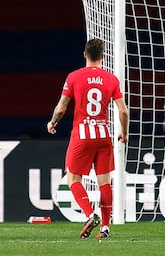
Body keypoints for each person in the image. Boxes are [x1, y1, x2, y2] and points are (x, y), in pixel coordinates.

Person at [47, 38, 129, 238]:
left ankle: (90, 213)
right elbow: (123, 111)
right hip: (103, 134)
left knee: (73, 177)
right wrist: (124, 132)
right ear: (103, 56)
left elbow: (61, 107)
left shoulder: (74, 77)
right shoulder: (111, 79)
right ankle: (106, 227)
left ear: (85, 54)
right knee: (105, 183)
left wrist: (53, 122)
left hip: (82, 135)